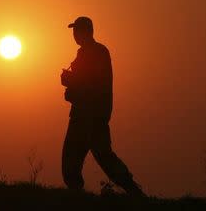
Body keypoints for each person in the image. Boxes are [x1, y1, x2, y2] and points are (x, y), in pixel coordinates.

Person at [61, 16, 145, 196]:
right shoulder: (86, 53)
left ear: (87, 32)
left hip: (91, 116)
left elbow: (93, 84)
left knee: (99, 157)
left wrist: (71, 85)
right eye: (74, 31)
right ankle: (78, 196)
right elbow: (85, 82)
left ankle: (133, 191)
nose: (74, 34)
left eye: (77, 30)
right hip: (84, 115)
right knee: (77, 159)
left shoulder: (97, 52)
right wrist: (71, 85)